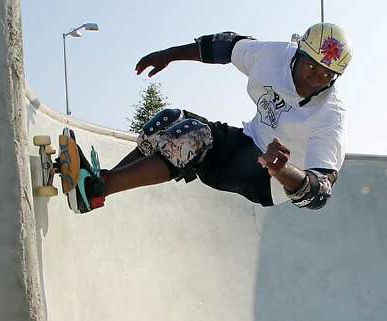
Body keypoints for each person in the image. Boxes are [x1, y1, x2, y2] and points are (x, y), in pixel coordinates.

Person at [65, 23, 352, 214]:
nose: (316, 79)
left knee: (192, 137)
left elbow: (320, 191)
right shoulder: (274, 55)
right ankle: (98, 188)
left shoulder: (329, 115)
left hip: (266, 181)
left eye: (327, 75)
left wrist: (282, 170)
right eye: (312, 67)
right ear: (298, 54)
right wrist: (170, 54)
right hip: (246, 141)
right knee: (166, 122)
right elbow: (226, 46)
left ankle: (95, 187)